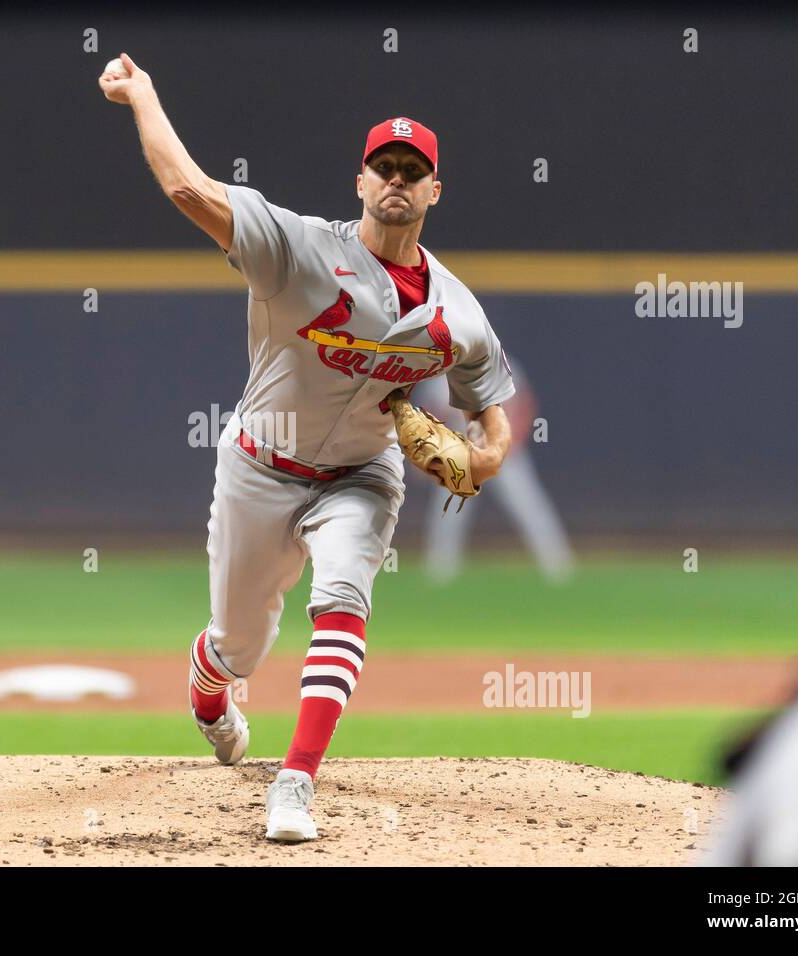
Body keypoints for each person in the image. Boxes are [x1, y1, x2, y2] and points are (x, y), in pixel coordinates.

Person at [100, 54, 516, 842]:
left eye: (412, 169)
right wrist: (145, 96)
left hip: (362, 475)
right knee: (240, 644)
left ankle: (295, 783)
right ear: (360, 180)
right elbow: (189, 188)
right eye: (383, 166)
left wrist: (482, 459)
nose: (396, 178)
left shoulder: (459, 315)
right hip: (260, 465)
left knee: (342, 602)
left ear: (434, 190)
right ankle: (210, 685)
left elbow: (491, 421)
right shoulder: (295, 248)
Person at [411, 357, 575, 584]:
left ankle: (558, 567)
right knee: (448, 513)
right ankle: (440, 572)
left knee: (529, 506)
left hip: (502, 446)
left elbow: (525, 402)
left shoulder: (500, 362)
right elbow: (430, 414)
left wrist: (515, 438)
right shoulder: (445, 371)